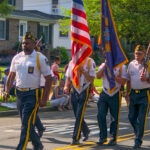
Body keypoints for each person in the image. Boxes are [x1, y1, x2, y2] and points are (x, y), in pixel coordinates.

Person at [4, 32, 52, 150]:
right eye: (23, 43)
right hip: (19, 93)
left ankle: (21, 147)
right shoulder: (17, 57)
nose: (25, 45)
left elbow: (49, 79)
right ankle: (37, 144)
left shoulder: (39, 58)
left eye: (28, 43)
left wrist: (44, 98)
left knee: (26, 124)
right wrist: (6, 91)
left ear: (34, 44)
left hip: (33, 94)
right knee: (27, 123)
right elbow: (11, 76)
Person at [64, 57, 96, 145]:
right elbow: (68, 77)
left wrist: (83, 70)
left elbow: (91, 79)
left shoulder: (90, 62)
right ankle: (86, 130)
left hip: (85, 88)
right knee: (76, 113)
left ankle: (76, 137)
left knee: (79, 114)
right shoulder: (72, 62)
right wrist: (66, 86)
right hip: (75, 88)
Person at [96, 62, 127, 146]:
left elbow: (123, 81)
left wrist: (113, 75)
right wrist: (105, 67)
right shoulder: (103, 65)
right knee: (100, 114)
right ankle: (103, 137)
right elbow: (98, 76)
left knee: (114, 118)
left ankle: (113, 138)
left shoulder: (122, 67)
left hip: (115, 93)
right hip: (105, 92)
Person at [126, 45, 150, 149]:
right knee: (131, 117)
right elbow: (128, 80)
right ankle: (138, 131)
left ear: (144, 54)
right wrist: (127, 94)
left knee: (141, 118)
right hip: (133, 94)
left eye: (139, 54)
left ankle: (138, 140)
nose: (137, 55)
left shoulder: (148, 64)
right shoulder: (131, 64)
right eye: (136, 53)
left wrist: (146, 79)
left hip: (145, 94)